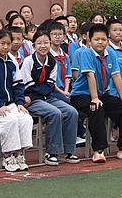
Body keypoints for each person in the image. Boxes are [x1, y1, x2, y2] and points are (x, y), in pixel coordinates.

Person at [69, 23, 122, 163]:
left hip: (102, 93)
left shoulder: (112, 54)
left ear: (107, 40)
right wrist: (95, 98)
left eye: (103, 39)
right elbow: (90, 76)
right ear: (89, 41)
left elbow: (116, 76)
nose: (100, 42)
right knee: (96, 108)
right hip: (81, 94)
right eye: (96, 39)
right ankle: (98, 150)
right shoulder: (86, 53)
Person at [20, 31, 80, 165]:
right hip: (31, 99)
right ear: (34, 46)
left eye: (46, 42)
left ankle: (67, 151)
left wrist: (40, 91)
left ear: (50, 44)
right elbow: (28, 86)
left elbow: (50, 86)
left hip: (46, 96)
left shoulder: (52, 62)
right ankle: (51, 152)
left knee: (71, 112)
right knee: (55, 113)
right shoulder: (28, 62)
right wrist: (35, 94)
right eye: (39, 43)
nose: (43, 46)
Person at [0, 29, 34, 172]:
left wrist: (20, 103)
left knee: (25, 119)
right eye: (2, 43)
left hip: (10, 104)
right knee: (10, 120)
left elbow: (18, 85)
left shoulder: (12, 62)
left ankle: (19, 154)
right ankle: (8, 155)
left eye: (8, 44)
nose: (5, 47)